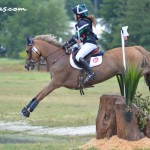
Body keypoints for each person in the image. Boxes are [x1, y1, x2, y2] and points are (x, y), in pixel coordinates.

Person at [63, 3, 98, 84]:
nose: (74, 16)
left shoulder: (82, 22)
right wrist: (70, 45)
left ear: (78, 15)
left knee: (79, 56)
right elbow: (80, 38)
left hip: (90, 43)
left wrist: (67, 43)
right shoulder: (83, 21)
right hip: (87, 43)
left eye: (75, 14)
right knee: (75, 50)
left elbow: (76, 37)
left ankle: (91, 73)